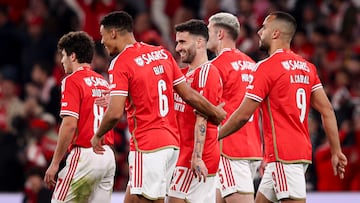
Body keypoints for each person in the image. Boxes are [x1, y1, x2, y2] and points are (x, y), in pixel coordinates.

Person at [90, 11, 226, 203]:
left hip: (146, 145)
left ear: (113, 33)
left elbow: (114, 114)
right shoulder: (161, 53)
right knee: (136, 197)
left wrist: (97, 136)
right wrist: (216, 112)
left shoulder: (120, 63)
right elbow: (187, 94)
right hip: (171, 146)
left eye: (103, 37)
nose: (102, 43)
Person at [218, 11, 348, 203]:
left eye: (264, 27)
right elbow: (327, 110)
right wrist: (336, 151)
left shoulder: (266, 67)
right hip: (296, 154)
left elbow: (242, 116)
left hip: (283, 157)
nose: (259, 32)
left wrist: (215, 135)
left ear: (276, 33)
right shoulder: (307, 67)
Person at [44, 31, 116, 203]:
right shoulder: (103, 81)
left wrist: (55, 163)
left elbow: (69, 124)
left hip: (85, 155)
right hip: (107, 156)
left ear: (73, 56)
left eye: (63, 55)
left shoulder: (72, 80)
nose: (62, 60)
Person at [207, 12, 263, 203]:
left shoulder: (215, 66)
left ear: (220, 33)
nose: (206, 35)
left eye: (209, 30)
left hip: (229, 149)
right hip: (253, 147)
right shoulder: (253, 65)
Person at [167, 19, 222, 203]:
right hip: (183, 156)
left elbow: (202, 116)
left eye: (182, 42)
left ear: (199, 42)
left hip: (197, 156)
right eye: (177, 42)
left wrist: (197, 157)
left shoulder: (207, 72)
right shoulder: (183, 76)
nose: (177, 48)